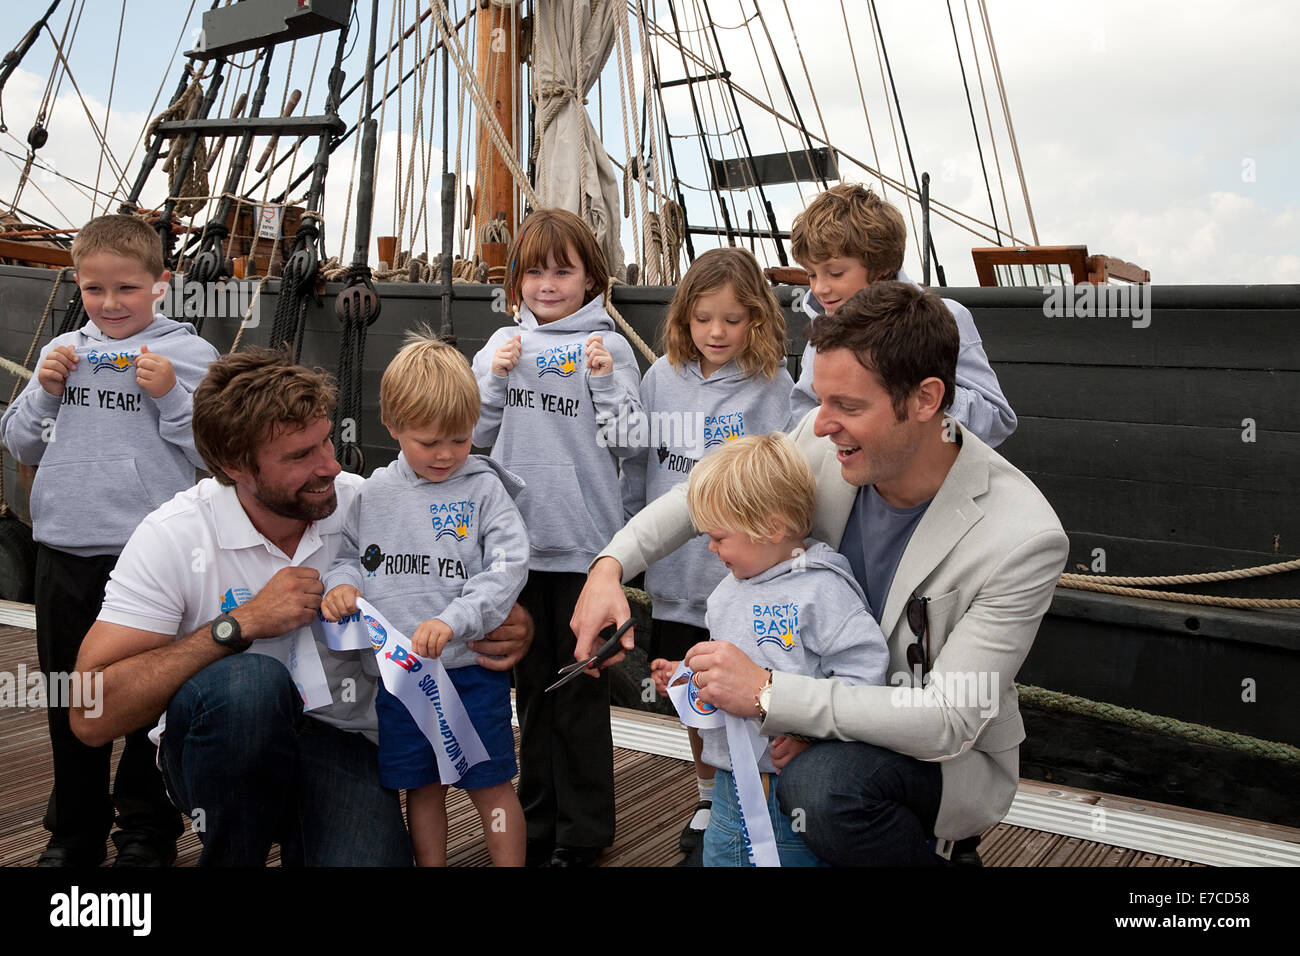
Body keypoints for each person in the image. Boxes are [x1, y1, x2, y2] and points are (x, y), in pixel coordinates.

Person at [572, 281, 1069, 866]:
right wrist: (609, 567)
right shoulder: (825, 439)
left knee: (824, 789)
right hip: (820, 717)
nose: (821, 423)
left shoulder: (1021, 536)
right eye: (822, 398)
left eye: (849, 407)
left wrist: (766, 693)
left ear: (927, 398)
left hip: (936, 757)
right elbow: (702, 496)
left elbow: (947, 718)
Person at [68, 348, 533, 866]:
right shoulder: (173, 535)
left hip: (341, 740)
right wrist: (237, 625)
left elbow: (481, 575)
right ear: (235, 467)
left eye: (327, 441)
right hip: (223, 742)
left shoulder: (366, 503)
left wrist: (511, 623)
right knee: (250, 685)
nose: (331, 466)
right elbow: (89, 713)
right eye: (299, 456)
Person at [1, 214, 218, 866]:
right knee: (74, 696)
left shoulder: (189, 357)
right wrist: (44, 394)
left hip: (151, 559)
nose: (110, 303)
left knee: (152, 698)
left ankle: (148, 833)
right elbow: (19, 443)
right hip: (65, 548)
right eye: (95, 290)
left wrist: (172, 397)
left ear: (161, 285)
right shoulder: (60, 353)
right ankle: (73, 834)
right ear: (79, 285)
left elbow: (215, 451)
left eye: (126, 288)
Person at [471, 208, 643, 867]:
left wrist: (601, 379)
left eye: (563, 270)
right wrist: (494, 377)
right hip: (518, 549)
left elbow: (630, 439)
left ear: (590, 277)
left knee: (580, 691)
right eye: (534, 270)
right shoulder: (499, 347)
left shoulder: (612, 347)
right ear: (516, 279)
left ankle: (585, 831)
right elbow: (475, 434)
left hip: (583, 550)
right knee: (531, 693)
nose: (547, 283)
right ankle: (537, 822)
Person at [321, 331, 528, 867]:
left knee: (491, 785)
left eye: (460, 440)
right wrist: (341, 586)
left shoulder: (485, 491)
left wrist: (456, 619)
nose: (446, 454)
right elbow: (349, 556)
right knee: (423, 786)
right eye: (429, 442)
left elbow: (508, 569)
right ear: (392, 426)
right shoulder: (372, 494)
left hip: (470, 672)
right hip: (399, 679)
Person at [621, 246, 792, 853]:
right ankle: (703, 791)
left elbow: (789, 471)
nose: (716, 332)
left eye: (733, 319)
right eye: (702, 318)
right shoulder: (660, 377)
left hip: (740, 578)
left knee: (739, 689)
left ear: (756, 321)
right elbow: (640, 465)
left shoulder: (774, 387)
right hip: (675, 575)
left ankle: (757, 793)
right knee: (690, 691)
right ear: (684, 319)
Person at [649, 433, 888, 866]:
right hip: (729, 782)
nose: (711, 547)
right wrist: (686, 675)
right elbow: (728, 666)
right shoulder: (726, 591)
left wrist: (809, 737)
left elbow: (864, 675)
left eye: (720, 537)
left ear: (772, 527)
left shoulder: (822, 591)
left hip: (791, 788)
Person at [786, 183, 1017, 446]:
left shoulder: (945, 318)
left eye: (836, 273)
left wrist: (915, 395)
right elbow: (803, 410)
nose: (820, 288)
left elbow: (996, 422)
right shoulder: (823, 326)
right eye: (811, 274)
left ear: (882, 267)